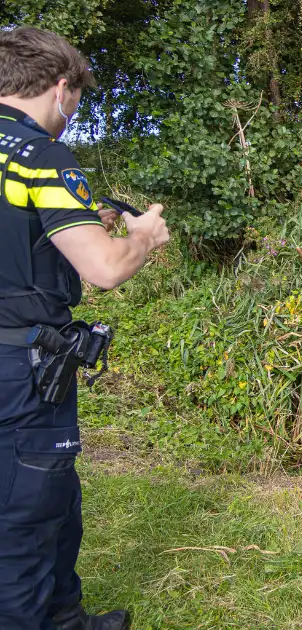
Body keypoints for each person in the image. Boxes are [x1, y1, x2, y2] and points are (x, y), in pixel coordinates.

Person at [0, 27, 171, 630]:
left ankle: (64, 619)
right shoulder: (39, 156)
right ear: (62, 88)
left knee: (51, 495)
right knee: (26, 514)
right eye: (76, 101)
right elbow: (103, 268)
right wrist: (142, 236)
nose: (72, 115)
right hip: (20, 370)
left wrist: (81, 221)